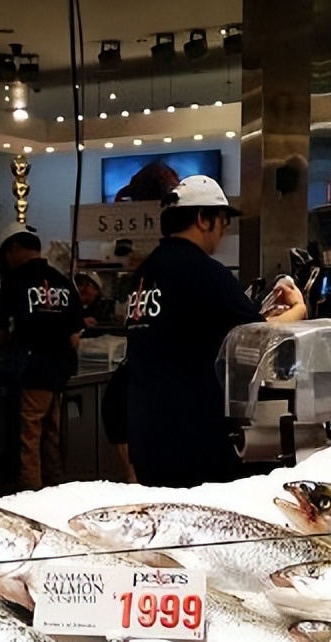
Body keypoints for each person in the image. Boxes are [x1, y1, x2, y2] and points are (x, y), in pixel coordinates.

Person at [124, 175, 306, 488]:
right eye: (222, 222)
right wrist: (298, 310)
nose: (222, 232)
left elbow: (196, 331)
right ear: (203, 219)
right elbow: (258, 337)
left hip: (145, 435)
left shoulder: (146, 272)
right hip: (189, 441)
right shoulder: (202, 271)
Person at [0, 223, 84, 491]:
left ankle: (31, 498)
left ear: (15, 248)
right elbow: (74, 336)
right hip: (59, 372)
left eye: (6, 255)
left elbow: (0, 333)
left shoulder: (15, 281)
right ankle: (55, 488)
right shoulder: (64, 282)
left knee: (27, 439)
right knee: (51, 436)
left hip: (30, 372)